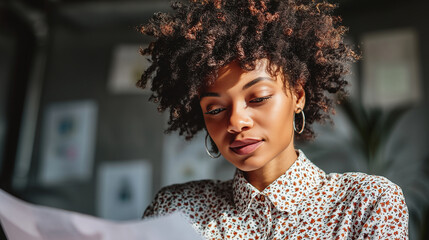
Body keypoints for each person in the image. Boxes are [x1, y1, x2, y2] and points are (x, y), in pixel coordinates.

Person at [137, 0, 409, 239]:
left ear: (298, 95)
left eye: (258, 98)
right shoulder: (174, 210)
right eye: (215, 109)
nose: (236, 122)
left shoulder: (367, 203)